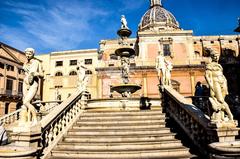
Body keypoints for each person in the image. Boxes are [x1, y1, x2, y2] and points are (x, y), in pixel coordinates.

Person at [205, 49, 233, 121]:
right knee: (220, 100)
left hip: (223, 82)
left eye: (217, 56)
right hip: (215, 82)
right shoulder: (209, 66)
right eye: (215, 56)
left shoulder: (219, 65)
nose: (217, 58)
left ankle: (222, 116)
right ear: (212, 57)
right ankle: (230, 114)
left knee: (222, 100)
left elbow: (222, 74)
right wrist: (211, 86)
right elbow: (207, 76)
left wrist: (225, 81)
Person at [20, 48, 43, 126]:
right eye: (26, 53)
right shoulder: (25, 63)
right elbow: (26, 73)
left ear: (33, 54)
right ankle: (25, 120)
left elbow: (42, 75)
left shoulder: (37, 62)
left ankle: (35, 119)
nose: (28, 55)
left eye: (29, 54)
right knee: (25, 103)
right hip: (25, 82)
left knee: (26, 101)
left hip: (34, 83)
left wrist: (37, 74)